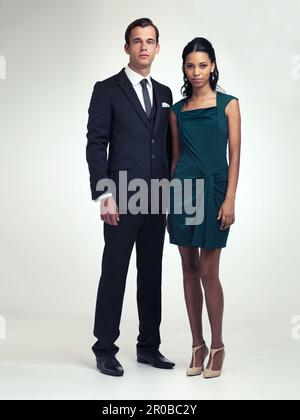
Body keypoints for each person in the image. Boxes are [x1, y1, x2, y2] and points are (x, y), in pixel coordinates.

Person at [86, 18, 175, 376]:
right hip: (121, 198)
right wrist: (105, 193)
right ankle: (105, 347)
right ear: (127, 47)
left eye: (149, 41)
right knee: (115, 272)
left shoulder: (167, 94)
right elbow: (96, 143)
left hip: (157, 197)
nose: (143, 47)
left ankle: (148, 346)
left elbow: (168, 145)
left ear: (157, 48)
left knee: (151, 273)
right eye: (136, 41)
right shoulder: (107, 89)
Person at [167, 37, 241, 378]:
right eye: (190, 65)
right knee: (188, 269)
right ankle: (196, 345)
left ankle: (218, 345)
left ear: (212, 66)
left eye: (202, 64)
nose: (196, 71)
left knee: (210, 272)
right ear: (184, 68)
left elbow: (235, 156)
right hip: (182, 189)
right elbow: (176, 157)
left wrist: (230, 198)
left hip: (214, 192)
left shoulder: (229, 104)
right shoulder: (177, 111)